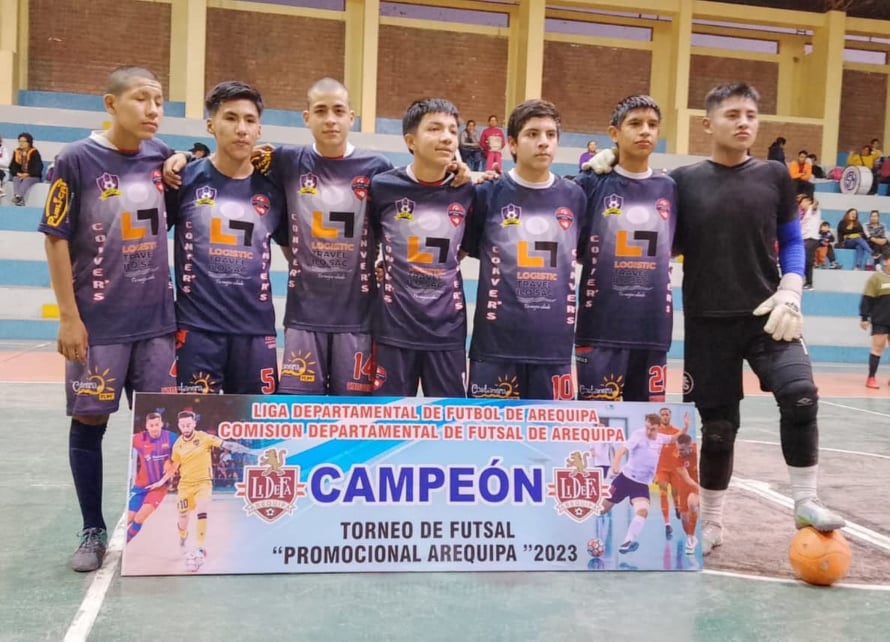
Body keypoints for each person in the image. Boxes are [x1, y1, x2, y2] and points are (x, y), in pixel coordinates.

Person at [669, 82, 845, 555]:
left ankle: (805, 501)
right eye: (732, 115)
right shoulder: (683, 181)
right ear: (708, 124)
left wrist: (792, 289)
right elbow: (660, 229)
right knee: (718, 429)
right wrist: (604, 169)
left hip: (768, 315)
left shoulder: (774, 175)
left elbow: (792, 240)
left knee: (801, 395)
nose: (743, 122)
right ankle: (711, 522)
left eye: (750, 114)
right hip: (708, 321)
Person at [39, 66, 178, 572]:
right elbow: (55, 239)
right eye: (141, 99)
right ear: (110, 103)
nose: (152, 110)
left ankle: (154, 526)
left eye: (158, 101)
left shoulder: (162, 157)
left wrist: (183, 158)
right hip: (98, 325)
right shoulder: (75, 159)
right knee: (90, 421)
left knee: (159, 429)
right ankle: (92, 528)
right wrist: (68, 318)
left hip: (157, 325)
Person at [258, 78, 393, 395]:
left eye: (338, 111)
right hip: (304, 315)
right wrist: (178, 158)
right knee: (299, 410)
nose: (330, 119)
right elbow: (234, 165)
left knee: (353, 412)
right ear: (307, 118)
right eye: (321, 111)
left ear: (351, 117)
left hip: (358, 316)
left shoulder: (377, 167)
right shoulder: (287, 161)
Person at [462, 99, 587, 400]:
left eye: (550, 134)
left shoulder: (575, 196)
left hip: (553, 348)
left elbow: (581, 252)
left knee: (551, 432)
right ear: (513, 144)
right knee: (487, 430)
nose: (543, 142)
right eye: (532, 134)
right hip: (494, 347)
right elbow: (463, 250)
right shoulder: (487, 193)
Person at [167, 81, 286, 395]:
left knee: (255, 425)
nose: (241, 129)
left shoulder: (274, 191)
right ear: (211, 125)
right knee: (191, 422)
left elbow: (297, 255)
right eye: (231, 118)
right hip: (196, 331)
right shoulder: (183, 180)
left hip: (256, 332)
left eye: (249, 120)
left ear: (259, 129)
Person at [574, 94, 676, 402]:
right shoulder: (590, 184)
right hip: (600, 328)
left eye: (652, 125)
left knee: (649, 425)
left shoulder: (670, 188)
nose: (645, 131)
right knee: (597, 426)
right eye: (635, 123)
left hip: (651, 330)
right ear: (614, 133)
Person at [369, 98, 474, 397]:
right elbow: (373, 239)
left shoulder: (468, 191)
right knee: (387, 418)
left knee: (449, 419)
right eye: (435, 128)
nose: (447, 137)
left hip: (447, 331)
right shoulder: (383, 187)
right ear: (410, 141)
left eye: (452, 130)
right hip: (393, 330)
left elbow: (463, 248)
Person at [147, 410, 250, 572]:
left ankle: (200, 548)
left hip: (203, 483)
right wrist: (160, 482)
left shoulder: (204, 437)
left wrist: (245, 449)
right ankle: (183, 536)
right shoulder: (178, 445)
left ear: (194, 424)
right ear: (179, 426)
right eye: (183, 425)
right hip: (185, 486)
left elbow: (226, 444)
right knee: (183, 516)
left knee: (202, 512)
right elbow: (173, 468)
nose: (186, 427)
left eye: (189, 424)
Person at [597, 413, 684, 554]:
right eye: (647, 427)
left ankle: (627, 542)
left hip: (641, 485)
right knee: (602, 509)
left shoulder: (661, 438)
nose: (648, 431)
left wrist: (685, 427)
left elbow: (674, 438)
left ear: (658, 428)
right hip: (624, 479)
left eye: (652, 429)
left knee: (643, 511)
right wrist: (616, 465)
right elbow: (621, 450)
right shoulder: (638, 435)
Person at [127, 412, 176, 542]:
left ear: (161, 424)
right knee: (128, 518)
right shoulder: (139, 438)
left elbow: (178, 457)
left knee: (139, 518)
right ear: (146, 426)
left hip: (159, 488)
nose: (154, 428)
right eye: (151, 425)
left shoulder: (171, 437)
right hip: (140, 486)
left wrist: (169, 461)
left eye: (157, 425)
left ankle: (124, 544)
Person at [653, 407, 690, 537]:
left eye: (667, 414)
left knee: (675, 494)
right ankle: (667, 524)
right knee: (663, 494)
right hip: (661, 469)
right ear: (659, 417)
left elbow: (684, 445)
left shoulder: (676, 431)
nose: (665, 416)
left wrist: (686, 426)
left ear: (670, 416)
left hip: (675, 469)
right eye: (662, 414)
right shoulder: (656, 432)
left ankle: (677, 507)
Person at [860, 253, 890, 389]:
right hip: (881, 319)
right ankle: (871, 377)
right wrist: (864, 317)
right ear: (885, 261)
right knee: (878, 348)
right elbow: (867, 299)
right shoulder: (876, 278)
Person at [671, 433, 700, 555]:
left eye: (682, 449)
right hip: (685, 485)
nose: (679, 452)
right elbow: (687, 479)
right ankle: (691, 537)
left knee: (692, 503)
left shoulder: (698, 450)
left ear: (690, 446)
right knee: (683, 518)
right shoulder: (676, 457)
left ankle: (691, 537)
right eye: (678, 448)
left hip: (698, 484)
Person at [9, 132, 43, 205]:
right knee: (15, 178)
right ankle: (18, 197)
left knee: (27, 180)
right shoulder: (16, 152)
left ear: (29, 142)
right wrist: (18, 173)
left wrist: (28, 174)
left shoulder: (34, 152)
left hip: (33, 176)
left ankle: (19, 197)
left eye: (23, 141)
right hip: (20, 175)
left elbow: (38, 167)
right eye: (19, 141)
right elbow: (12, 166)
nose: (21, 143)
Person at [799, 195, 821, 290]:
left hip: (811, 238)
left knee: (807, 260)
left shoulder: (813, 210)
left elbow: (815, 204)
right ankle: (807, 282)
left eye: (803, 202)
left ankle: (809, 282)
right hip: (804, 239)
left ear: (808, 201)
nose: (801, 204)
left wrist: (810, 196)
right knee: (805, 260)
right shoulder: (802, 214)